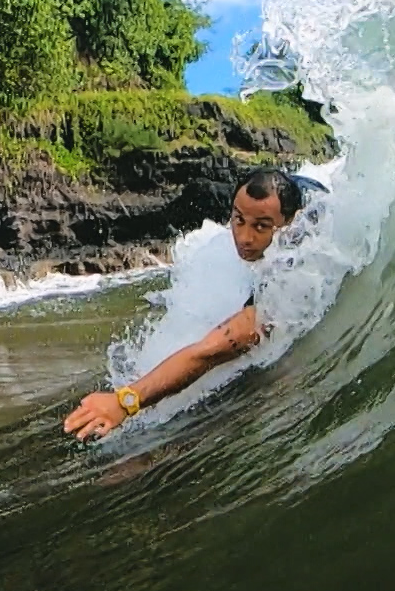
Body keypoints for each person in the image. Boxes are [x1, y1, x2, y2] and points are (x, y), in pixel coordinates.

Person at [64, 168, 308, 442]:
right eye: (238, 220)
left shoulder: (294, 263)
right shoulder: (275, 207)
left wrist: (125, 402)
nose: (244, 237)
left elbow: (210, 352)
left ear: (290, 223)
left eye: (261, 226)